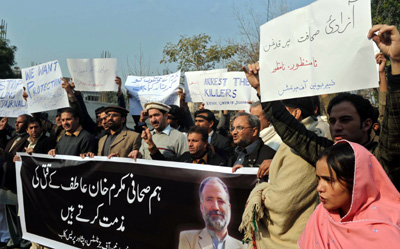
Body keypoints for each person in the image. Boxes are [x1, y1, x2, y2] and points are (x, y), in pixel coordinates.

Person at [242, 24, 400, 190]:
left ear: (367, 124)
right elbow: (291, 131)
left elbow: (395, 120)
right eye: (332, 120)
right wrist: (262, 90)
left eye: (345, 120)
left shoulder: (380, 159)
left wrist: (396, 62)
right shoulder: (328, 152)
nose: (336, 127)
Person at [239, 97, 328, 249]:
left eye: (282, 112)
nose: (275, 119)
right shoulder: (303, 141)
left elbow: (282, 202)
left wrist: (259, 191)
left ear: (296, 113)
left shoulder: (300, 148)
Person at [298, 140, 400, 248]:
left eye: (329, 180)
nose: (319, 188)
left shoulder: (384, 229)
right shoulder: (321, 215)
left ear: (356, 182)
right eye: (319, 178)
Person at [178, 177, 246, 249]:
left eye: (221, 201)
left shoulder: (244, 247)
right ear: (201, 206)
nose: (216, 207)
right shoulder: (188, 239)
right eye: (209, 200)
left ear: (229, 208)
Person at [151, 126, 227, 165]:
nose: (190, 144)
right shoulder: (185, 157)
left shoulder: (218, 163)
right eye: (189, 140)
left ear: (205, 143)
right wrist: (151, 145)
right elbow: (165, 164)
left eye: (194, 141)